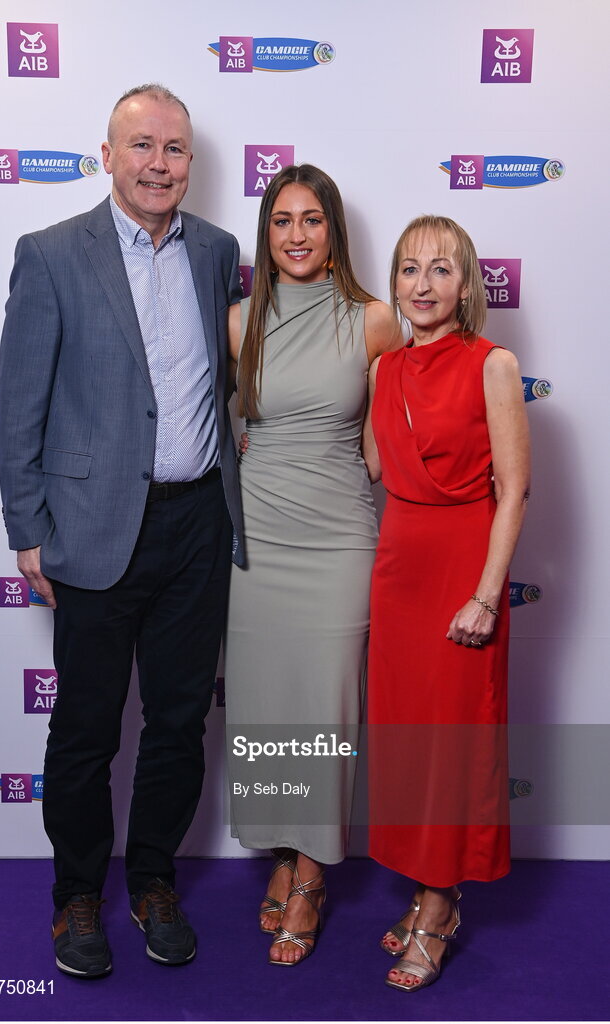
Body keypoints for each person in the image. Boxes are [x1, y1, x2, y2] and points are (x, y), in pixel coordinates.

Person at [0, 83, 244, 978]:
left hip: (197, 526)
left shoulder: (218, 252)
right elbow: (18, 397)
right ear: (107, 156)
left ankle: (153, 881)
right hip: (95, 529)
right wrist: (28, 525)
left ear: (191, 163)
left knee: (178, 723)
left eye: (174, 149)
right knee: (89, 729)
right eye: (141, 146)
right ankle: (75, 897)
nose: (158, 164)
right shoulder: (53, 253)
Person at [224, 164, 401, 965]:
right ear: (268, 235)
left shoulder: (373, 320)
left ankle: (309, 875)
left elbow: (384, 444)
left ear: (334, 233)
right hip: (256, 539)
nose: (296, 234)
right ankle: (279, 851)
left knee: (324, 713)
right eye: (282, 220)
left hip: (335, 540)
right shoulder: (237, 322)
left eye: (313, 219)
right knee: (267, 710)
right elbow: (215, 427)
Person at [363, 215, 530, 991]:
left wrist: (487, 597)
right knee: (407, 742)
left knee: (453, 744)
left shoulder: (493, 364)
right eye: (408, 270)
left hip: (463, 570)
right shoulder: (384, 370)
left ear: (467, 287)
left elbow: (515, 487)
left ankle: (438, 904)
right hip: (398, 568)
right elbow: (372, 460)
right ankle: (424, 884)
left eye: (440, 270)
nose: (422, 286)